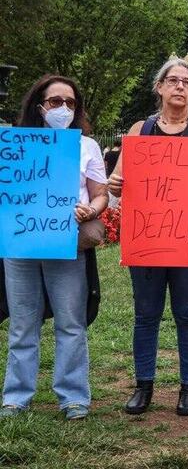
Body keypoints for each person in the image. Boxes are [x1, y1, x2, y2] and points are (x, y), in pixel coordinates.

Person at [108, 56, 188, 417]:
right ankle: (143, 387)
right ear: (159, 87)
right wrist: (116, 183)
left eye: (186, 82)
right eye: (172, 80)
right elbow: (119, 178)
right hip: (147, 236)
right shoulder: (139, 130)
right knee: (146, 315)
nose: (179, 87)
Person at [0, 75, 108, 420]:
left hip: (67, 242)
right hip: (20, 244)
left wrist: (91, 209)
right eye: (55, 101)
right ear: (39, 105)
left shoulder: (86, 146)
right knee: (21, 323)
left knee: (71, 321)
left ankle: (74, 396)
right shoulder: (14, 146)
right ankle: (16, 396)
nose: (63, 108)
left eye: (70, 103)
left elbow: (101, 194)